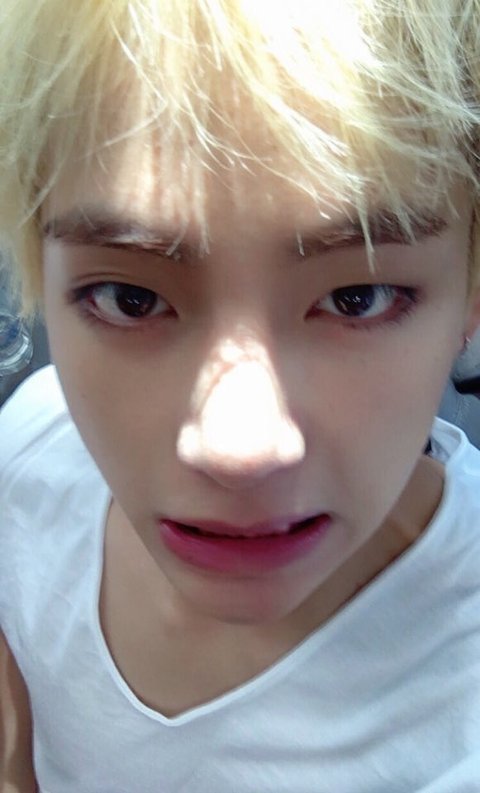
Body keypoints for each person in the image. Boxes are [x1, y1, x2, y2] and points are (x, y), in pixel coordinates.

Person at [1, 1, 480, 790]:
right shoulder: (28, 454)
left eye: (357, 298)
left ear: (470, 294)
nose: (239, 446)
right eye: (130, 298)